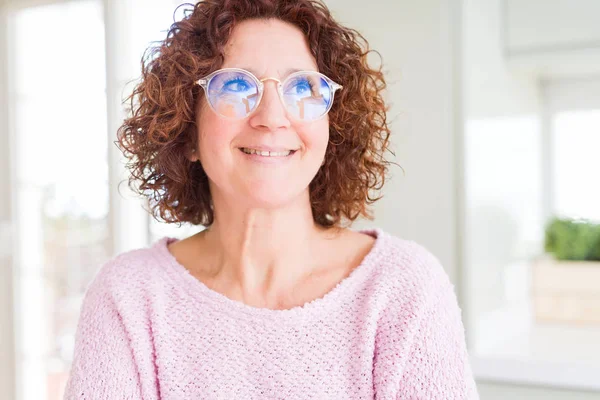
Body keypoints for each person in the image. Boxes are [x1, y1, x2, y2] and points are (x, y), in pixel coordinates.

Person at [64, 0, 479, 398]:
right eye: (234, 86)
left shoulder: (402, 288)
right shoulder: (128, 297)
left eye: (304, 88)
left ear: (330, 132)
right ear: (187, 130)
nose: (272, 116)